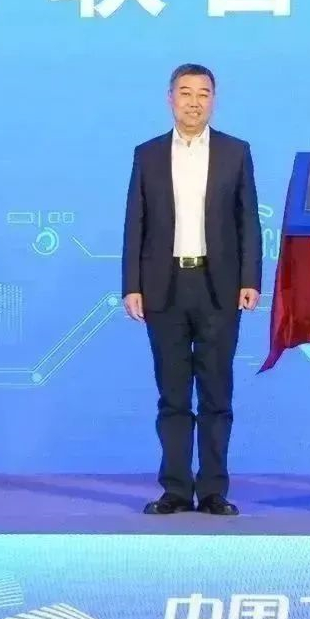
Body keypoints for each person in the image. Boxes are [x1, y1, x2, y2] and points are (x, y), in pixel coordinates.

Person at [122, 64, 261, 516]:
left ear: (214, 100)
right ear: (170, 99)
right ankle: (176, 490)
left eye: (203, 93)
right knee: (173, 395)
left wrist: (250, 279)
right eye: (185, 93)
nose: (194, 102)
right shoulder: (147, 155)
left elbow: (248, 221)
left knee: (217, 394)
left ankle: (214, 490)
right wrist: (131, 285)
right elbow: (135, 222)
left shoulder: (235, 152)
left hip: (218, 286)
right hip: (163, 286)